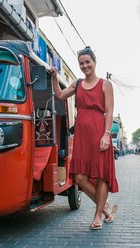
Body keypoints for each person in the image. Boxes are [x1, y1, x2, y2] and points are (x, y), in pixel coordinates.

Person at [50, 46, 118, 230]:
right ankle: (104, 207)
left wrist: (106, 134)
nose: (85, 65)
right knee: (79, 177)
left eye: (88, 62)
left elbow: (110, 111)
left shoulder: (105, 84)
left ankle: (97, 216)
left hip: (99, 134)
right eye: (81, 63)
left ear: (94, 62)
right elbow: (59, 95)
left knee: (102, 176)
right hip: (82, 136)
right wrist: (54, 78)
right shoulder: (77, 83)